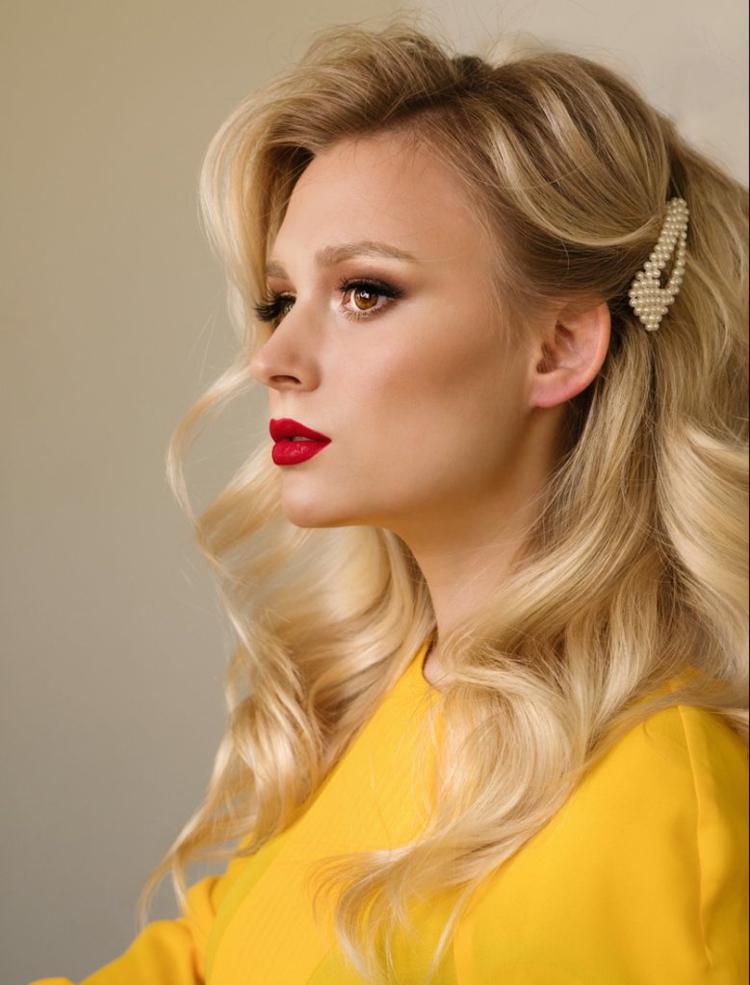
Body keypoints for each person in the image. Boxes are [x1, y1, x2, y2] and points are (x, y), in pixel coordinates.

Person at [34, 23, 748, 985]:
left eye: (365, 292)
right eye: (280, 299)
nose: (273, 359)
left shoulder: (645, 798)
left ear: (560, 348)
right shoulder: (390, 698)